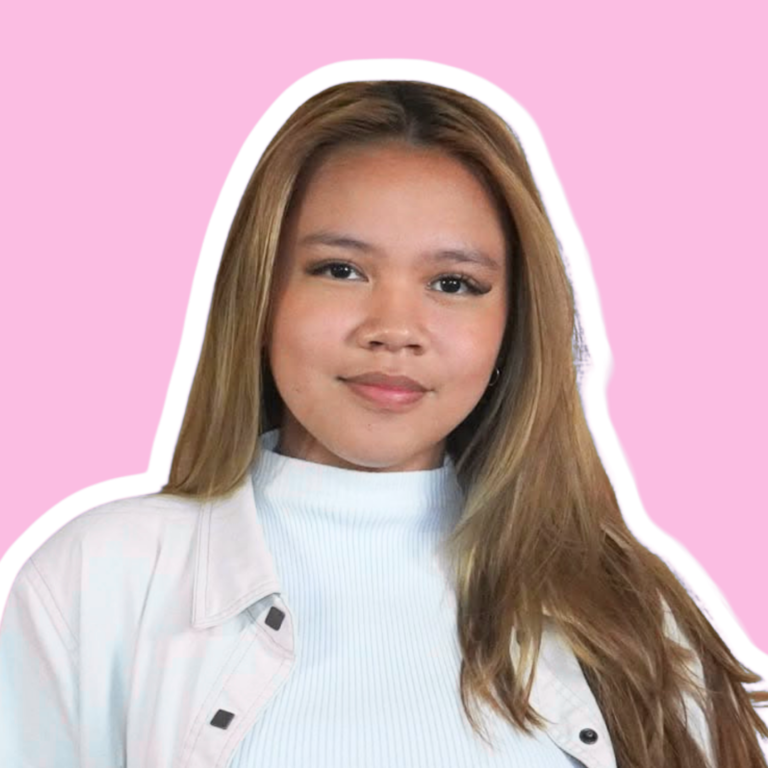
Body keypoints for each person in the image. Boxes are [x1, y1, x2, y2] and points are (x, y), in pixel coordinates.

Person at [0, 79, 766, 768]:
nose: (395, 329)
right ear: (260, 296)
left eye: (454, 283)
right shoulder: (98, 580)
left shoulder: (624, 610)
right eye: (341, 270)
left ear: (513, 325)